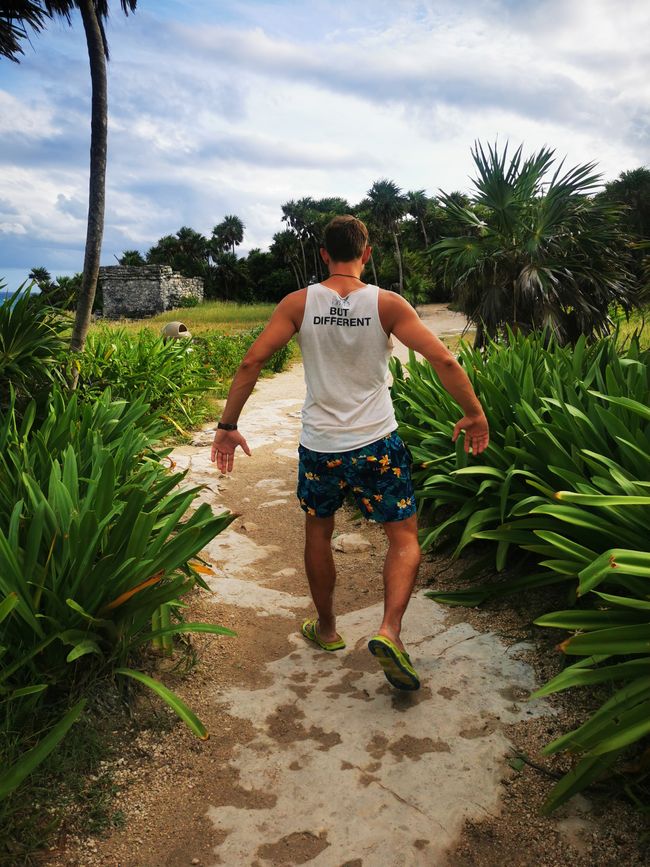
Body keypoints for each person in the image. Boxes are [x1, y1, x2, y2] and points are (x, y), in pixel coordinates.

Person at [211, 215, 489, 691]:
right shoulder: (387, 304)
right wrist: (474, 414)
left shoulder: (299, 303)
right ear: (367, 253)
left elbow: (252, 360)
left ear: (324, 254)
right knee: (402, 537)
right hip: (378, 443)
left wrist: (227, 426)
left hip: (320, 446)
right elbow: (443, 357)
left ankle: (327, 630)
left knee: (318, 534)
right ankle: (390, 633)